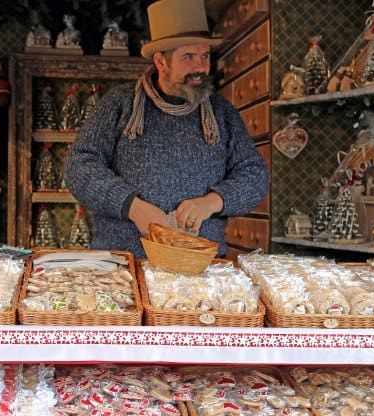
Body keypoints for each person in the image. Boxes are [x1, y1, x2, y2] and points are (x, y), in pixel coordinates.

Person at [63, 0, 269, 258]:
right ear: (161, 62)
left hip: (199, 268)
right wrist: (132, 207)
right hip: (123, 264)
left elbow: (255, 175)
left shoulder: (221, 112)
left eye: (205, 56)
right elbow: (78, 166)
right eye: (188, 57)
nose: (200, 68)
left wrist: (211, 203)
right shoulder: (119, 104)